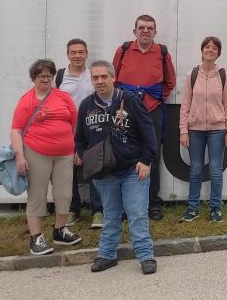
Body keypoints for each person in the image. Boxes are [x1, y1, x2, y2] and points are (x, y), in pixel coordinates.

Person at [75, 60, 158, 274]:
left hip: (133, 169)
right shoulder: (86, 106)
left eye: (104, 76)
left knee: (137, 213)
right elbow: (80, 140)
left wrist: (146, 160)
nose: (100, 81)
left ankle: (146, 256)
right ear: (91, 80)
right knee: (110, 215)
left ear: (113, 78)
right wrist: (88, 159)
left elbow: (149, 132)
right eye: (95, 77)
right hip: (104, 174)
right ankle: (107, 255)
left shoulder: (130, 101)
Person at [11, 59, 82, 255]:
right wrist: (20, 157)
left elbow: (74, 124)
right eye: (41, 75)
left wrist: (77, 148)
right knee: (37, 195)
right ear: (33, 78)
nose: (45, 79)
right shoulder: (27, 100)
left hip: (65, 154)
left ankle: (60, 230)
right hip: (36, 152)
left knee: (64, 194)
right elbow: (16, 130)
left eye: (49, 75)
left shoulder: (63, 97)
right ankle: (36, 237)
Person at [113, 15, 176, 220]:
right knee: (123, 154)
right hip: (125, 111)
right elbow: (114, 79)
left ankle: (153, 204)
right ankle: (123, 206)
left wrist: (155, 98)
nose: (145, 31)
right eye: (141, 28)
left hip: (152, 110)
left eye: (150, 28)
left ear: (155, 32)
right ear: (135, 31)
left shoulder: (162, 52)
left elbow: (169, 82)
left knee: (152, 155)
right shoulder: (122, 51)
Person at [179, 36, 227, 223]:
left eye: (214, 48)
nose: (210, 50)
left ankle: (215, 209)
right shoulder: (192, 75)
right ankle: (192, 209)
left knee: (216, 171)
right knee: (195, 169)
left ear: (218, 53)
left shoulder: (224, 76)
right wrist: (183, 130)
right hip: (195, 130)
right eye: (207, 47)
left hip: (217, 130)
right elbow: (185, 105)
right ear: (202, 50)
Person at [57, 38, 103, 228]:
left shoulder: (92, 75)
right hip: (65, 130)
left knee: (95, 169)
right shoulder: (59, 77)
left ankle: (98, 211)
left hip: (91, 129)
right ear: (67, 54)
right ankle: (73, 210)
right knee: (68, 173)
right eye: (73, 52)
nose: (77, 55)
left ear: (86, 53)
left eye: (81, 52)